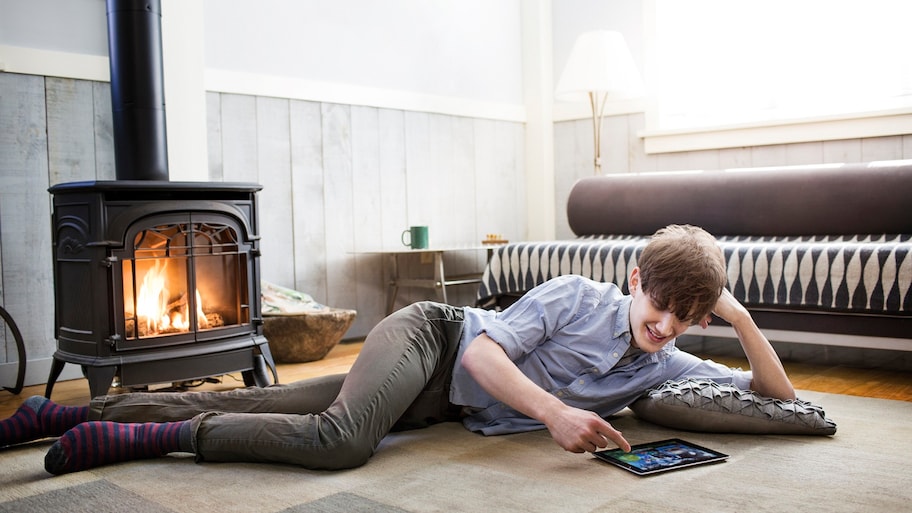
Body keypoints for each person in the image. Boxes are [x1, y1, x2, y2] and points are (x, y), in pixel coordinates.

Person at [0, 224, 795, 475]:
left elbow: (779, 397)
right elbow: (483, 357)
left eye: (683, 322)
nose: (662, 330)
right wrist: (554, 412)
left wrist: (737, 317)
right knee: (340, 441)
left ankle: (53, 414)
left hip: (430, 398)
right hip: (431, 339)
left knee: (250, 399)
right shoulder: (575, 295)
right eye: (659, 308)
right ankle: (147, 438)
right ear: (634, 279)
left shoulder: (664, 357)